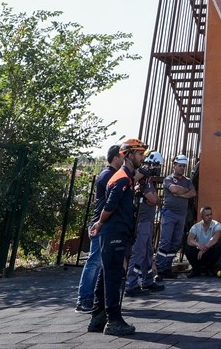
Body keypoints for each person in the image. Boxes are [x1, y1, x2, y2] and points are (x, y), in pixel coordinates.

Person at [86, 137, 147, 337]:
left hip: (115, 232)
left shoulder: (126, 178)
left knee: (107, 273)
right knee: (113, 276)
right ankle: (114, 320)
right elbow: (109, 206)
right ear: (127, 156)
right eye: (139, 154)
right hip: (114, 232)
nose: (142, 158)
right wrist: (100, 222)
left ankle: (98, 317)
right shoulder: (121, 178)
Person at [76, 144, 121, 313]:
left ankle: (94, 298)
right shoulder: (107, 175)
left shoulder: (111, 174)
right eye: (123, 156)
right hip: (100, 223)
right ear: (116, 157)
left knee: (100, 263)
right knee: (94, 262)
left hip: (106, 223)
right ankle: (84, 299)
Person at [125, 151, 165, 296]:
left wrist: (155, 199)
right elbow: (154, 200)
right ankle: (131, 283)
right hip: (142, 223)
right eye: (155, 165)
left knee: (148, 253)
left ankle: (147, 281)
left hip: (147, 222)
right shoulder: (142, 183)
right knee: (139, 252)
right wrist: (154, 199)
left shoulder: (148, 183)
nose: (156, 168)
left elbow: (156, 200)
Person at [156, 155, 195, 278]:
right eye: (180, 165)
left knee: (176, 242)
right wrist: (184, 191)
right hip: (169, 214)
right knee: (165, 241)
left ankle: (167, 268)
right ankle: (160, 269)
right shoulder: (168, 179)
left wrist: (181, 193)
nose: (182, 168)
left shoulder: (188, 180)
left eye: (184, 166)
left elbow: (193, 193)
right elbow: (174, 189)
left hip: (182, 215)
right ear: (174, 165)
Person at [184, 206, 221, 277]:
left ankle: (209, 269)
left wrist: (204, 249)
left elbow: (215, 238)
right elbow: (189, 240)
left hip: (209, 251)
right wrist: (198, 245)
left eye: (211, 214)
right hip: (199, 253)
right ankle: (196, 270)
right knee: (187, 247)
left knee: (217, 247)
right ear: (202, 216)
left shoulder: (217, 224)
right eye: (207, 215)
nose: (210, 217)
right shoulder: (195, 227)